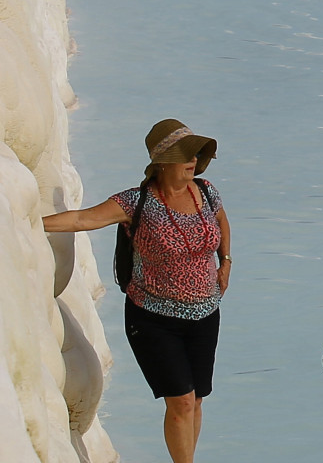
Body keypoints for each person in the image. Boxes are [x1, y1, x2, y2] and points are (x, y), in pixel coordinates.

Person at [42, 119, 229, 463]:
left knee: (197, 399)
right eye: (185, 154)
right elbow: (84, 220)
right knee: (182, 401)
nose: (194, 160)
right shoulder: (135, 202)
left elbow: (221, 220)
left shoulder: (205, 191)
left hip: (205, 316)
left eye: (196, 153)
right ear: (163, 160)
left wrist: (226, 260)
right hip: (153, 319)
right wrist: (28, 221)